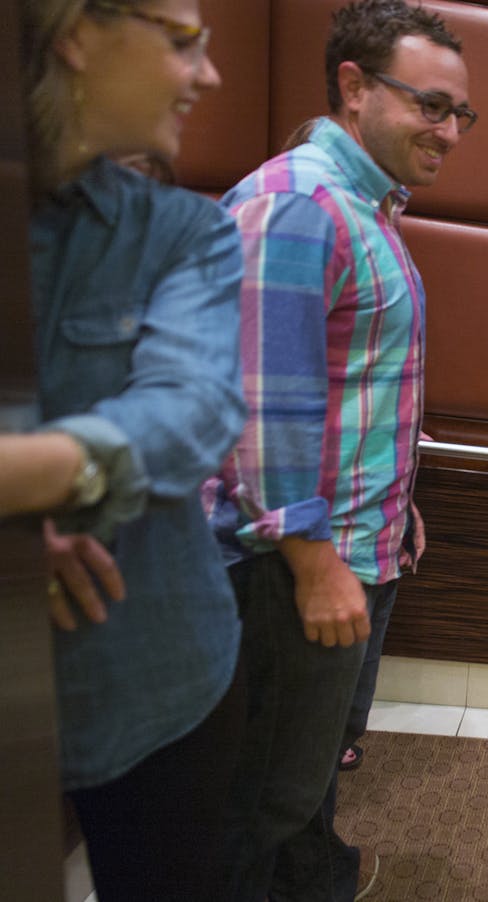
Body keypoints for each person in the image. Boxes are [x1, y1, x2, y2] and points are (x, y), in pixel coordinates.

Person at [209, 1, 473, 898]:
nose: (449, 130)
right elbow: (256, 407)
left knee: (307, 775)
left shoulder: (366, 209)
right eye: (431, 105)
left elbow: (349, 386)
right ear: (355, 88)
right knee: (259, 802)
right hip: (296, 569)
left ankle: (316, 880)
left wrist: (398, 508)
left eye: (458, 113)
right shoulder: (297, 202)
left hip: (358, 546)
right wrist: (315, 558)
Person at [20, 0, 249, 899]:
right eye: (184, 40)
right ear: (73, 29)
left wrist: (29, 480)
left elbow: (195, 409)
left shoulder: (183, 231)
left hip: (159, 681)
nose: (208, 75)